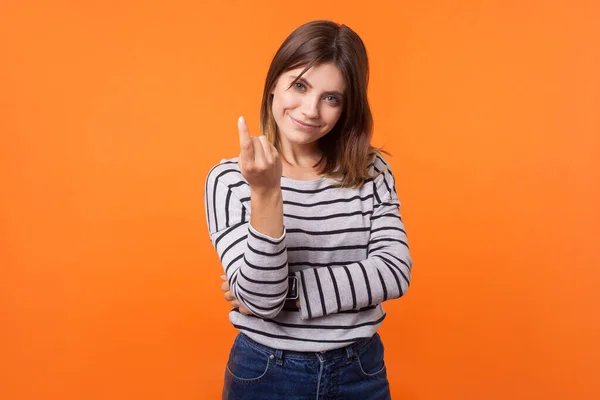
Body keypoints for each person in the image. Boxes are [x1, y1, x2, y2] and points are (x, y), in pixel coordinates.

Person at [204, 19, 412, 400]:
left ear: (347, 108)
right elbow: (261, 303)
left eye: (331, 98)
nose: (311, 109)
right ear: (273, 86)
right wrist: (266, 192)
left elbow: (394, 271)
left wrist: (291, 293)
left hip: (360, 371)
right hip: (267, 372)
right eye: (300, 86)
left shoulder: (370, 170)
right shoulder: (229, 180)